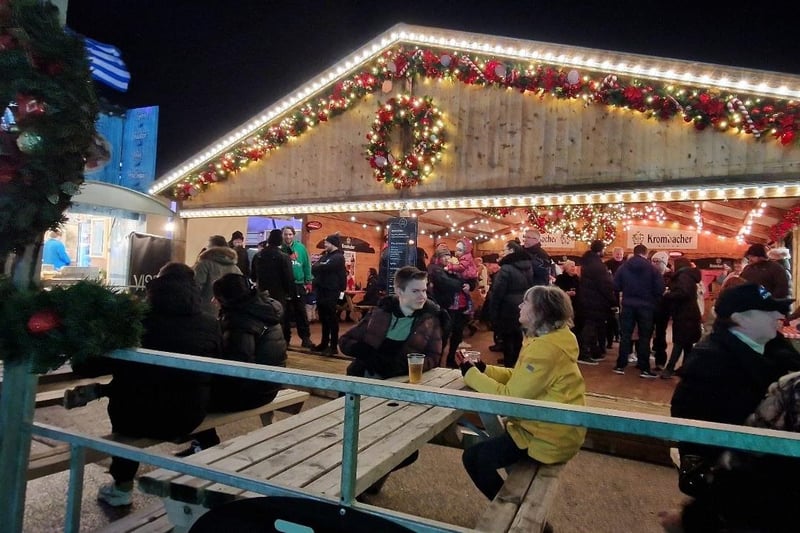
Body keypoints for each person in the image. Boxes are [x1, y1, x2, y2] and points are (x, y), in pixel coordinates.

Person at [72, 262, 222, 506]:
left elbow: (88, 367)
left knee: (130, 397)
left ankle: (122, 487)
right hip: (188, 415)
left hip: (137, 418)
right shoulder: (209, 323)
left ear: (155, 288)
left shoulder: (135, 322)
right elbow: (218, 366)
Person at [666, 282, 800, 532]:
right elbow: (699, 430)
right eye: (768, 311)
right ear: (740, 319)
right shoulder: (711, 363)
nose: (779, 316)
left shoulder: (776, 351)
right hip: (745, 489)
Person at [459, 285, 587, 500]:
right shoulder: (549, 339)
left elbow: (510, 398)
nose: (520, 305)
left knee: (474, 458)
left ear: (540, 311)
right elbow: (521, 378)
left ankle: (507, 509)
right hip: (548, 427)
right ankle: (507, 507)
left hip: (547, 437)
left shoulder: (546, 348)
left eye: (525, 302)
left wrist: (470, 374)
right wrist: (485, 369)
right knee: (478, 455)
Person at [179, 273, 288, 455]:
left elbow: (238, 367)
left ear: (227, 299)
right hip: (271, 384)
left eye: (217, 297)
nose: (214, 301)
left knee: (191, 393)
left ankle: (204, 443)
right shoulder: (264, 309)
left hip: (253, 392)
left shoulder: (239, 321)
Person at [340, 265, 448, 378]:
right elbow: (344, 340)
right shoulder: (380, 313)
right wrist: (364, 352)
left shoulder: (430, 321)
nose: (422, 296)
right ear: (399, 291)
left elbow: (434, 357)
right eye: (415, 291)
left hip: (402, 383)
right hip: (363, 378)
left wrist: (402, 367)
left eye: (424, 290)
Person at [612, 244, 665, 378]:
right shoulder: (652, 269)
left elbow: (616, 286)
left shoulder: (623, 267)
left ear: (634, 253)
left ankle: (620, 365)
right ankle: (644, 368)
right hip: (646, 307)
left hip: (628, 305)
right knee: (644, 337)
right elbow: (660, 289)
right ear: (645, 254)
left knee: (625, 336)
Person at [489, 240, 533, 368]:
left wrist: (493, 312)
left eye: (504, 250)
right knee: (519, 338)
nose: (502, 253)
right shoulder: (528, 266)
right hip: (523, 305)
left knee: (508, 339)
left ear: (511, 251)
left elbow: (498, 292)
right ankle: (518, 366)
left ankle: (509, 368)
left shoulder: (506, 268)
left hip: (507, 308)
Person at [427, 243, 471, 368]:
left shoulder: (453, 268)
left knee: (457, 334)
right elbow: (448, 284)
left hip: (460, 307)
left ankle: (451, 359)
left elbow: (471, 279)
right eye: (444, 256)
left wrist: (469, 285)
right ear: (438, 258)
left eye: (448, 256)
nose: (447, 258)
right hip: (446, 307)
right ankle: (438, 361)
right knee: (443, 336)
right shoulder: (435, 269)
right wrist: (462, 283)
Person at [658, 257, 702, 379]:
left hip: (685, 314)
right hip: (690, 314)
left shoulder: (683, 276)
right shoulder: (689, 275)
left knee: (679, 342)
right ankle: (686, 369)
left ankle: (669, 369)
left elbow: (683, 293)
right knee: (687, 344)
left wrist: (668, 295)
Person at [251, 229, 297, 344]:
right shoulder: (284, 257)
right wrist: (291, 293)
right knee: (280, 318)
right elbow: (288, 278)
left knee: (262, 317)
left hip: (261, 292)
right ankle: (281, 343)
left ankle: (262, 341)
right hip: (279, 293)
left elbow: (252, 276)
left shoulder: (258, 255)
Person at [577, 240, 616, 365]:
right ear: (600, 250)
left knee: (592, 326)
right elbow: (605, 285)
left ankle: (594, 352)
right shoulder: (598, 265)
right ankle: (584, 354)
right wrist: (613, 301)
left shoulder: (587, 262)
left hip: (587, 299)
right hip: (595, 300)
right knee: (591, 328)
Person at [311, 233, 347, 355]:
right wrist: (320, 265)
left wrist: (320, 266)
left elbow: (325, 267)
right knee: (323, 318)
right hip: (321, 290)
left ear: (333, 244)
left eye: (327, 242)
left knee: (331, 318)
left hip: (331, 291)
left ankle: (333, 347)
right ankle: (324, 343)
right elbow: (314, 267)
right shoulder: (326, 256)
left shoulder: (338, 257)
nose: (325, 244)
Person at [280, 226, 314, 348]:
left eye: (290, 234)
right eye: (285, 234)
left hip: (299, 285)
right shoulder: (280, 249)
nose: (288, 237)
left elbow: (306, 265)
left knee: (301, 312)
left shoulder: (301, 248)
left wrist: (308, 281)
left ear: (293, 235)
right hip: (284, 286)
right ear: (282, 235)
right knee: (285, 313)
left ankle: (305, 338)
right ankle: (285, 339)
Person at [194, 234, 242, 315]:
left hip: (206, 310)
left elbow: (195, 287)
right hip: (229, 312)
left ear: (210, 247)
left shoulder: (204, 264)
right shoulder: (235, 268)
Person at [650, 251, 673, 370]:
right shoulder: (650, 274)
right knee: (647, 332)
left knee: (660, 334)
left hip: (663, 309)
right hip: (651, 307)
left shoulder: (670, 276)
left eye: (657, 262)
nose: (655, 264)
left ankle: (660, 361)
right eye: (653, 261)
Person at [604, 247, 625, 349]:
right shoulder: (607, 264)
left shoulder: (626, 264)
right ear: (613, 254)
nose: (619, 256)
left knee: (622, 317)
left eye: (620, 254)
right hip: (611, 294)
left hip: (623, 294)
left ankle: (619, 335)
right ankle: (610, 339)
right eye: (617, 254)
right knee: (611, 317)